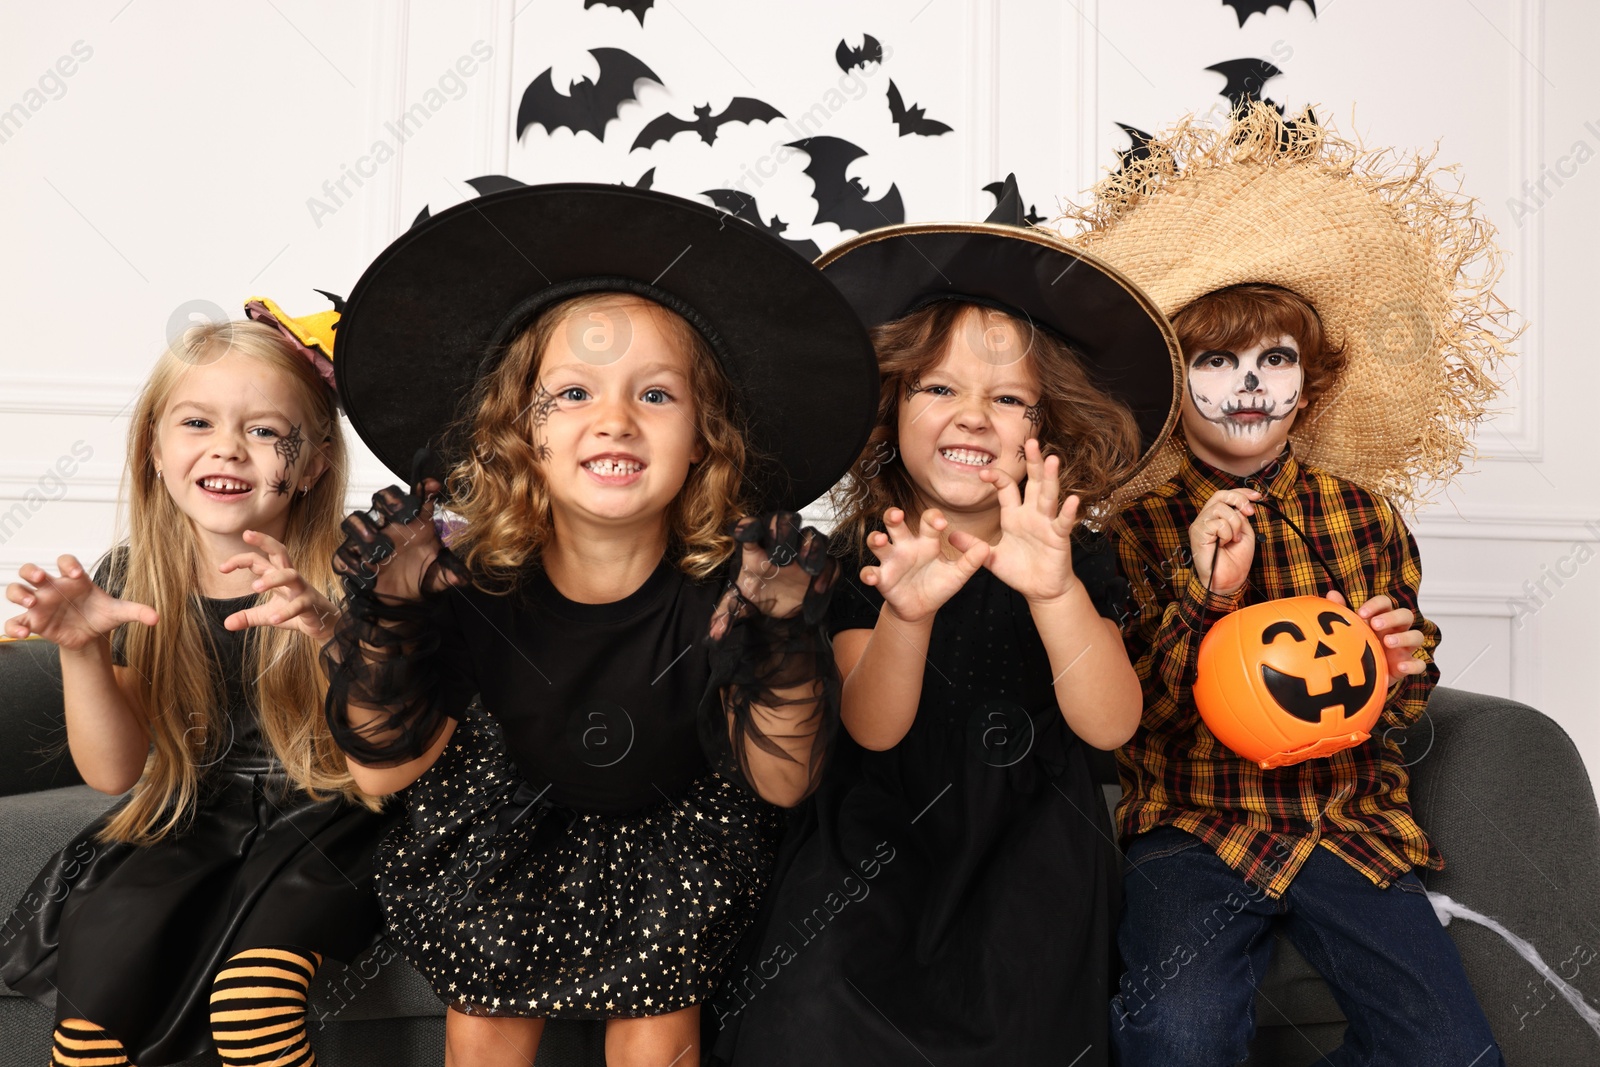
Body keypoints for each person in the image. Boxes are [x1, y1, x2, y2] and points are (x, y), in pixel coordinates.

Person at [317, 183, 879, 1066]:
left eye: (655, 396)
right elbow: (381, 771)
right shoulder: (470, 584)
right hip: (511, 818)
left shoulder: (735, 589)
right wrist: (394, 619)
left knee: (659, 1040)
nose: (614, 418)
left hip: (676, 829)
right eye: (573, 393)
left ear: (703, 438)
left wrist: (781, 643)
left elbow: (782, 782)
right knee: (486, 1027)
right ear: (521, 434)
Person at [1065, 104, 1516, 1064]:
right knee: (1173, 1037)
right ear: (1173, 380)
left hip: (1346, 821)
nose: (1248, 384)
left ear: (1307, 385)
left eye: (1274, 360)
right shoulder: (1138, 527)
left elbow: (1405, 677)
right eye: (1215, 360)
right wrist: (1205, 591)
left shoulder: (1364, 515)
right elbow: (1134, 713)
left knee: (1451, 1053)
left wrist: (1401, 667)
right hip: (1198, 824)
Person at [711, 181, 1184, 1067]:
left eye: (1010, 399)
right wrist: (906, 611)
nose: (974, 414)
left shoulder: (1072, 557)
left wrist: (1053, 592)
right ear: (891, 410)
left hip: (1029, 849)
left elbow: (1113, 723)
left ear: (1048, 431)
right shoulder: (861, 552)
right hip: (878, 836)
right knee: (814, 1010)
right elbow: (872, 726)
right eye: (939, 386)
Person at [1, 313, 396, 1067]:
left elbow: (382, 744)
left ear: (312, 464)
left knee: (254, 1005)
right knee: (90, 1027)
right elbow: (114, 773)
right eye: (197, 421)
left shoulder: (355, 569)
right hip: (198, 813)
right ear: (155, 449)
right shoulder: (130, 575)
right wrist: (82, 652)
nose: (226, 446)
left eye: (265, 431)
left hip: (338, 814)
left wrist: (328, 630)